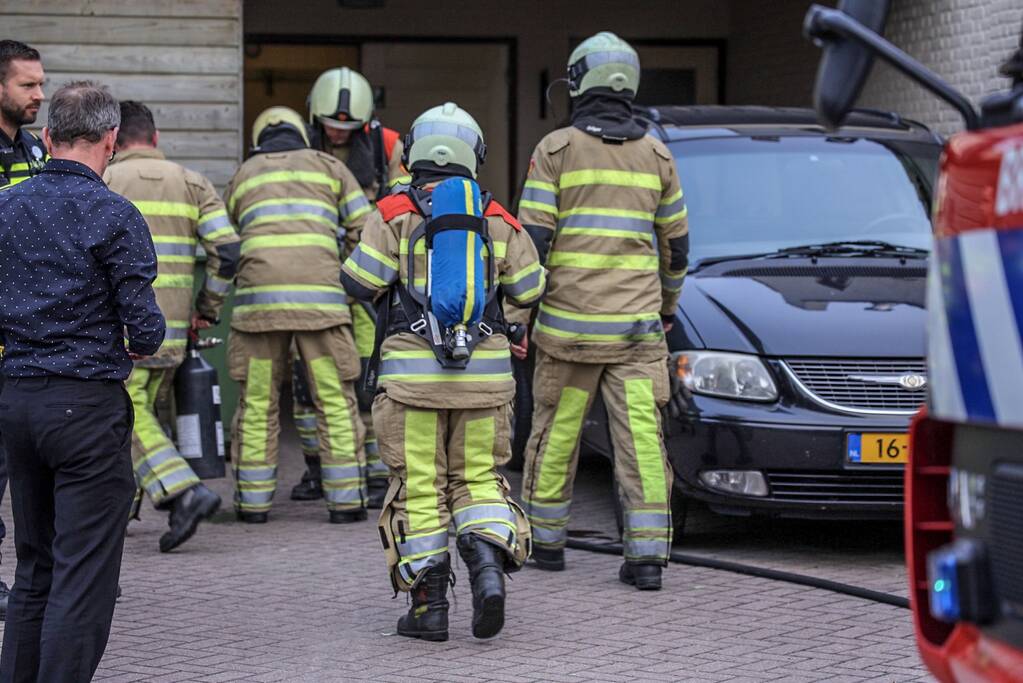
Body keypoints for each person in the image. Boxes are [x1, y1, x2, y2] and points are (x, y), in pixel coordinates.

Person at [341, 102, 544, 641]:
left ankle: (430, 611)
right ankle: (487, 571)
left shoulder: (391, 211)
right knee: (478, 479)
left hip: (413, 383)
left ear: (412, 152)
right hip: (485, 383)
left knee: (420, 487)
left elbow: (359, 282)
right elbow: (529, 289)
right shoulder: (498, 217)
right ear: (473, 155)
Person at [0, 81, 165, 682]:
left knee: (33, 569)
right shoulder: (115, 215)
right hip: (85, 408)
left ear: (47, 137)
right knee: (83, 574)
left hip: (15, 399)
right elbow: (145, 330)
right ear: (112, 141)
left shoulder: (5, 206)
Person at [517, 32, 690, 591]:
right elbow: (677, 247)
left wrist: (517, 317)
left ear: (578, 82)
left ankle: (545, 543)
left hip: (569, 335)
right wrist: (666, 307)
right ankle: (646, 559)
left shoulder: (555, 150)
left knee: (559, 433)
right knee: (641, 438)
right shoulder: (659, 155)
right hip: (639, 334)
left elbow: (531, 246)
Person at [224, 106, 373, 523]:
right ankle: (346, 502)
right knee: (334, 400)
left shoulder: (243, 174)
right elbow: (366, 230)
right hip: (321, 309)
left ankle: (252, 504)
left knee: (257, 402)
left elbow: (226, 240)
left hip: (259, 309)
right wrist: (340, 271)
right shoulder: (330, 167)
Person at [104, 100, 240, 552]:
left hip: (121, 326)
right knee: (144, 419)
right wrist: (208, 306)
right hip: (174, 329)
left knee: (125, 415)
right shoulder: (193, 182)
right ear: (155, 138)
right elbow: (228, 251)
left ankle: (183, 491)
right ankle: (122, 514)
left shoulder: (103, 179)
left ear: (114, 140)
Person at [291, 67, 411, 507]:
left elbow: (403, 209)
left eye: (348, 128)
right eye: (331, 126)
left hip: (368, 281)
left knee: (367, 381)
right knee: (307, 383)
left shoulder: (389, 147)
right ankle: (316, 468)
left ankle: (377, 472)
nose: (338, 135)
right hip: (315, 280)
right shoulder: (299, 145)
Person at [0, 39, 47, 620]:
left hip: (22, 337)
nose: (39, 94)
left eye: (40, 83)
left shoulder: (33, 150)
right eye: (27, 85)